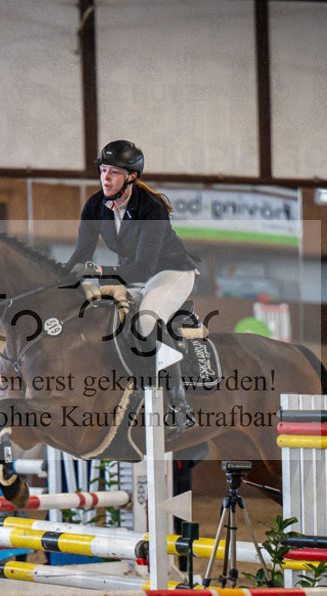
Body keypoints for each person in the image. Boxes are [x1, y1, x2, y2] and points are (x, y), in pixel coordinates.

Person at [64, 140, 198, 430]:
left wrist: (98, 271)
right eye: (102, 171)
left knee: (145, 321)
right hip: (136, 275)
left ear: (131, 177)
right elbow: (80, 256)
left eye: (113, 172)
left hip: (172, 272)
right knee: (105, 317)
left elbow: (142, 268)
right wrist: (56, 281)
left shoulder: (152, 209)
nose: (105, 178)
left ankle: (179, 405)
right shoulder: (95, 205)